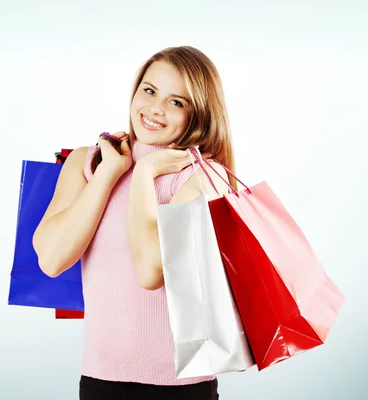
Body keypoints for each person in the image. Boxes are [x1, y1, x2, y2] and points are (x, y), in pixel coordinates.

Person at [33, 46, 235, 400]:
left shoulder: (205, 176)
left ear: (199, 114)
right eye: (150, 90)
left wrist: (145, 172)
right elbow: (51, 260)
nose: (155, 108)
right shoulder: (88, 161)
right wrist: (108, 174)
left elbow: (151, 270)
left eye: (177, 102)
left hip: (180, 390)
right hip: (98, 382)